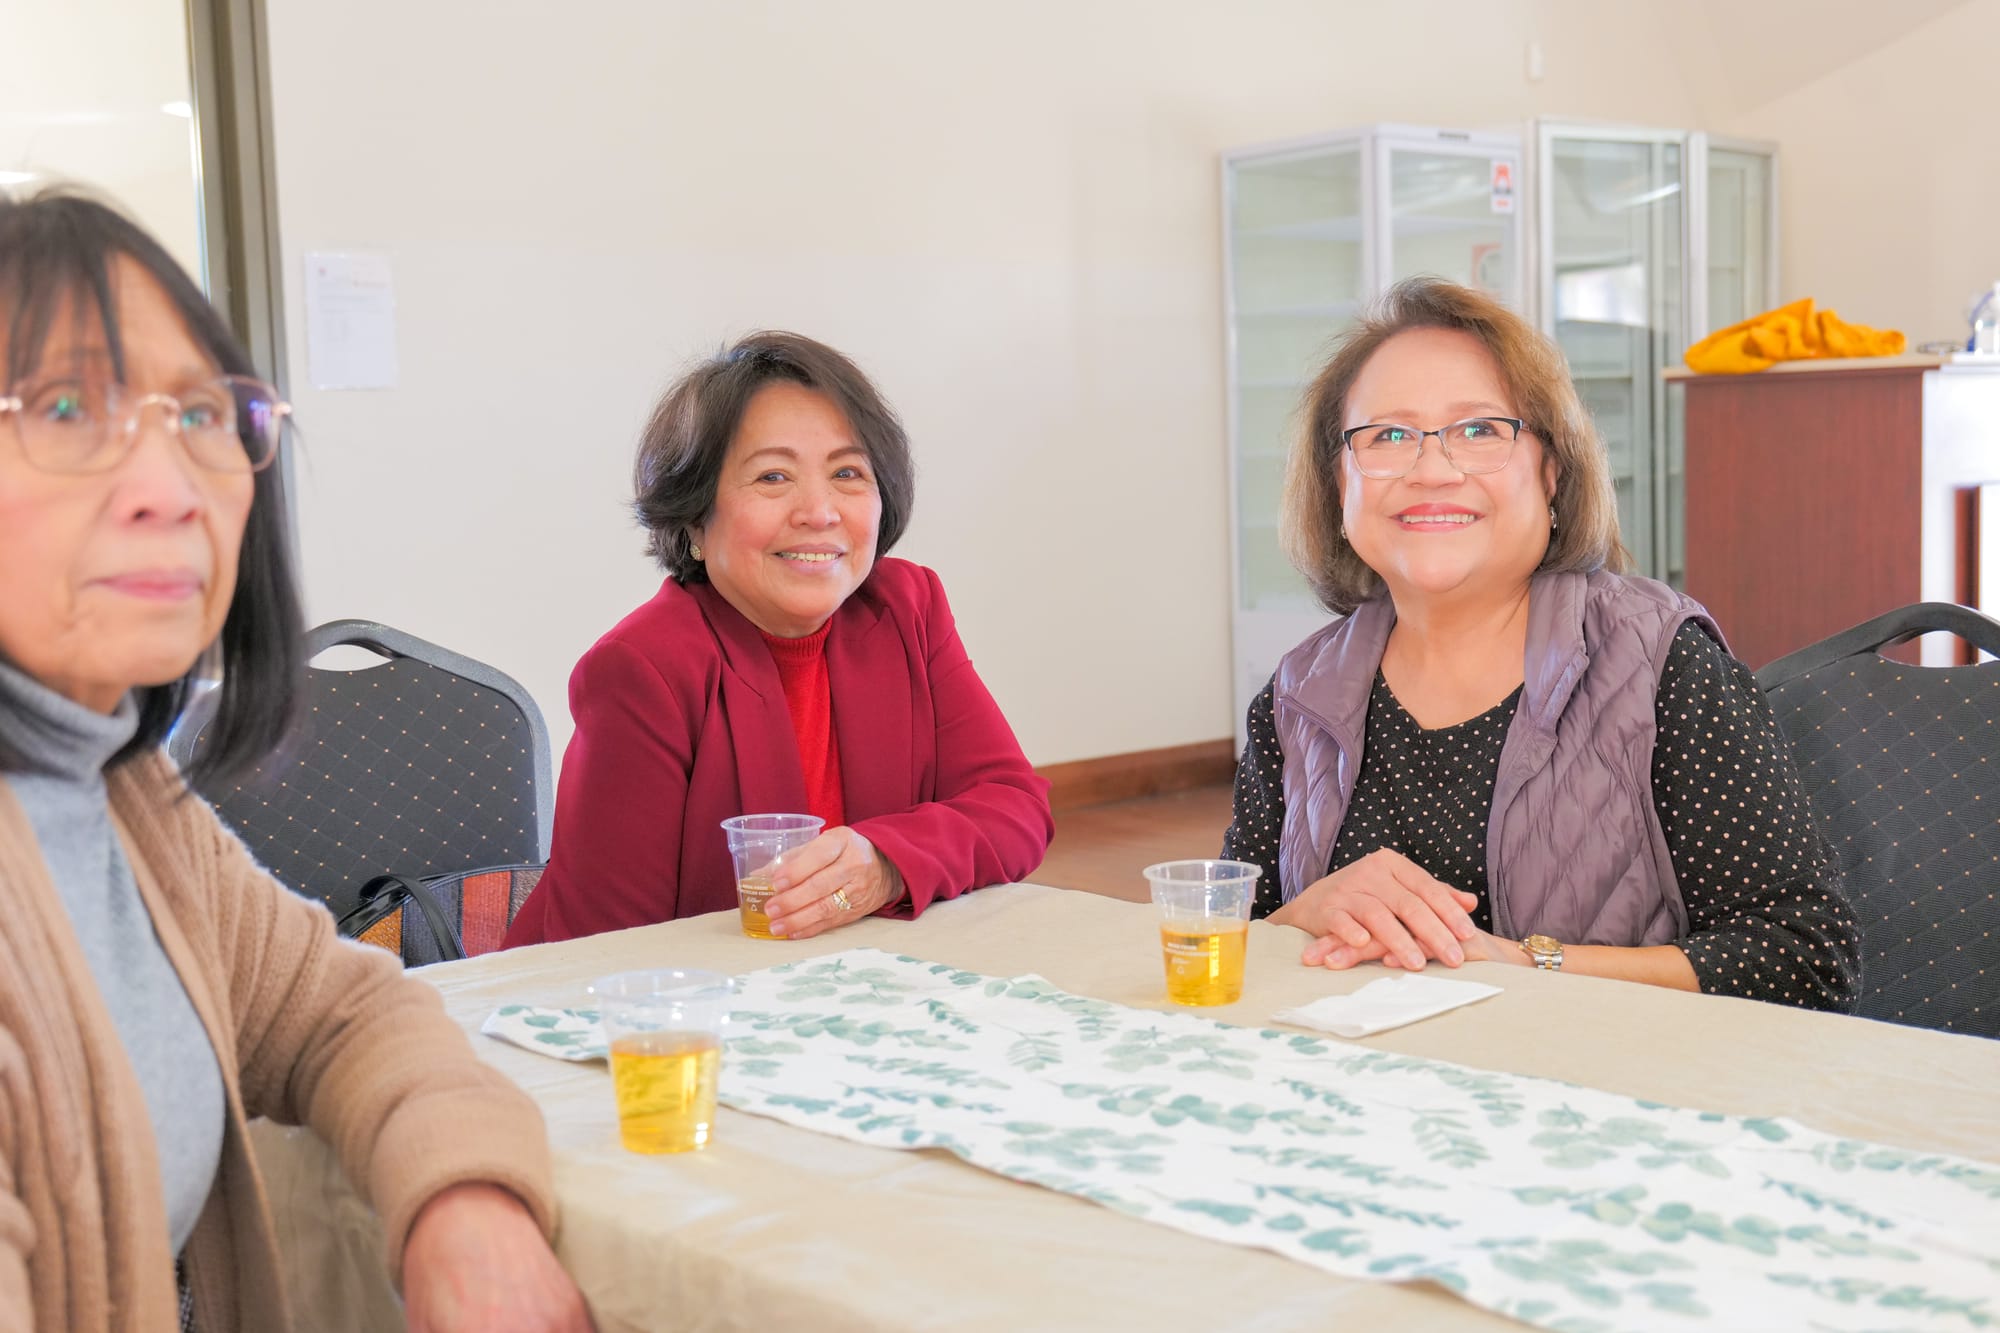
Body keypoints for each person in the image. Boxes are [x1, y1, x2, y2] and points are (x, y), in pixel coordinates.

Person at [0, 191, 591, 1332]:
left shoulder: (125, 798)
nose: (170, 487)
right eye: (69, 405)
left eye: (201, 416)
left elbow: (340, 1012)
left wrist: (460, 1200)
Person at [1221, 278, 1860, 1009]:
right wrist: (1297, 917)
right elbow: (1229, 936)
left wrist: (1525, 963)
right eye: (1388, 435)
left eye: (1481, 430)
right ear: (1339, 486)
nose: (1432, 469)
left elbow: (1807, 961)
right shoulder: (1298, 694)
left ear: (1552, 473)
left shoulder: (1662, 666)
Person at [503, 332, 1051, 946]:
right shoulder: (642, 669)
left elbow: (1016, 808)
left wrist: (887, 863)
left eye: (847, 472)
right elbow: (604, 949)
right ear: (693, 523)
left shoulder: (907, 607)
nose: (819, 511)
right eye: (772, 477)